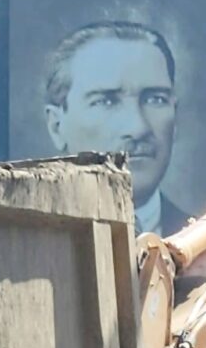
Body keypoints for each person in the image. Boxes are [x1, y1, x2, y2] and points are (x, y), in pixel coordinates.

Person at [42, 21, 186, 236]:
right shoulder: (29, 240)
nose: (138, 128)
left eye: (155, 99)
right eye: (106, 101)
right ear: (56, 126)